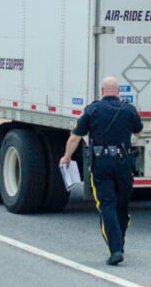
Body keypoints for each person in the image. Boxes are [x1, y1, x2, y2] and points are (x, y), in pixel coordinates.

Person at [59, 77, 143, 266]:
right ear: (118, 91)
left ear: (102, 91)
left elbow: (75, 137)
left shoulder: (92, 110)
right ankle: (120, 244)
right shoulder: (129, 109)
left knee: (107, 204)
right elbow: (139, 132)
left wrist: (67, 157)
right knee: (122, 205)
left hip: (101, 163)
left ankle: (116, 249)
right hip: (124, 163)